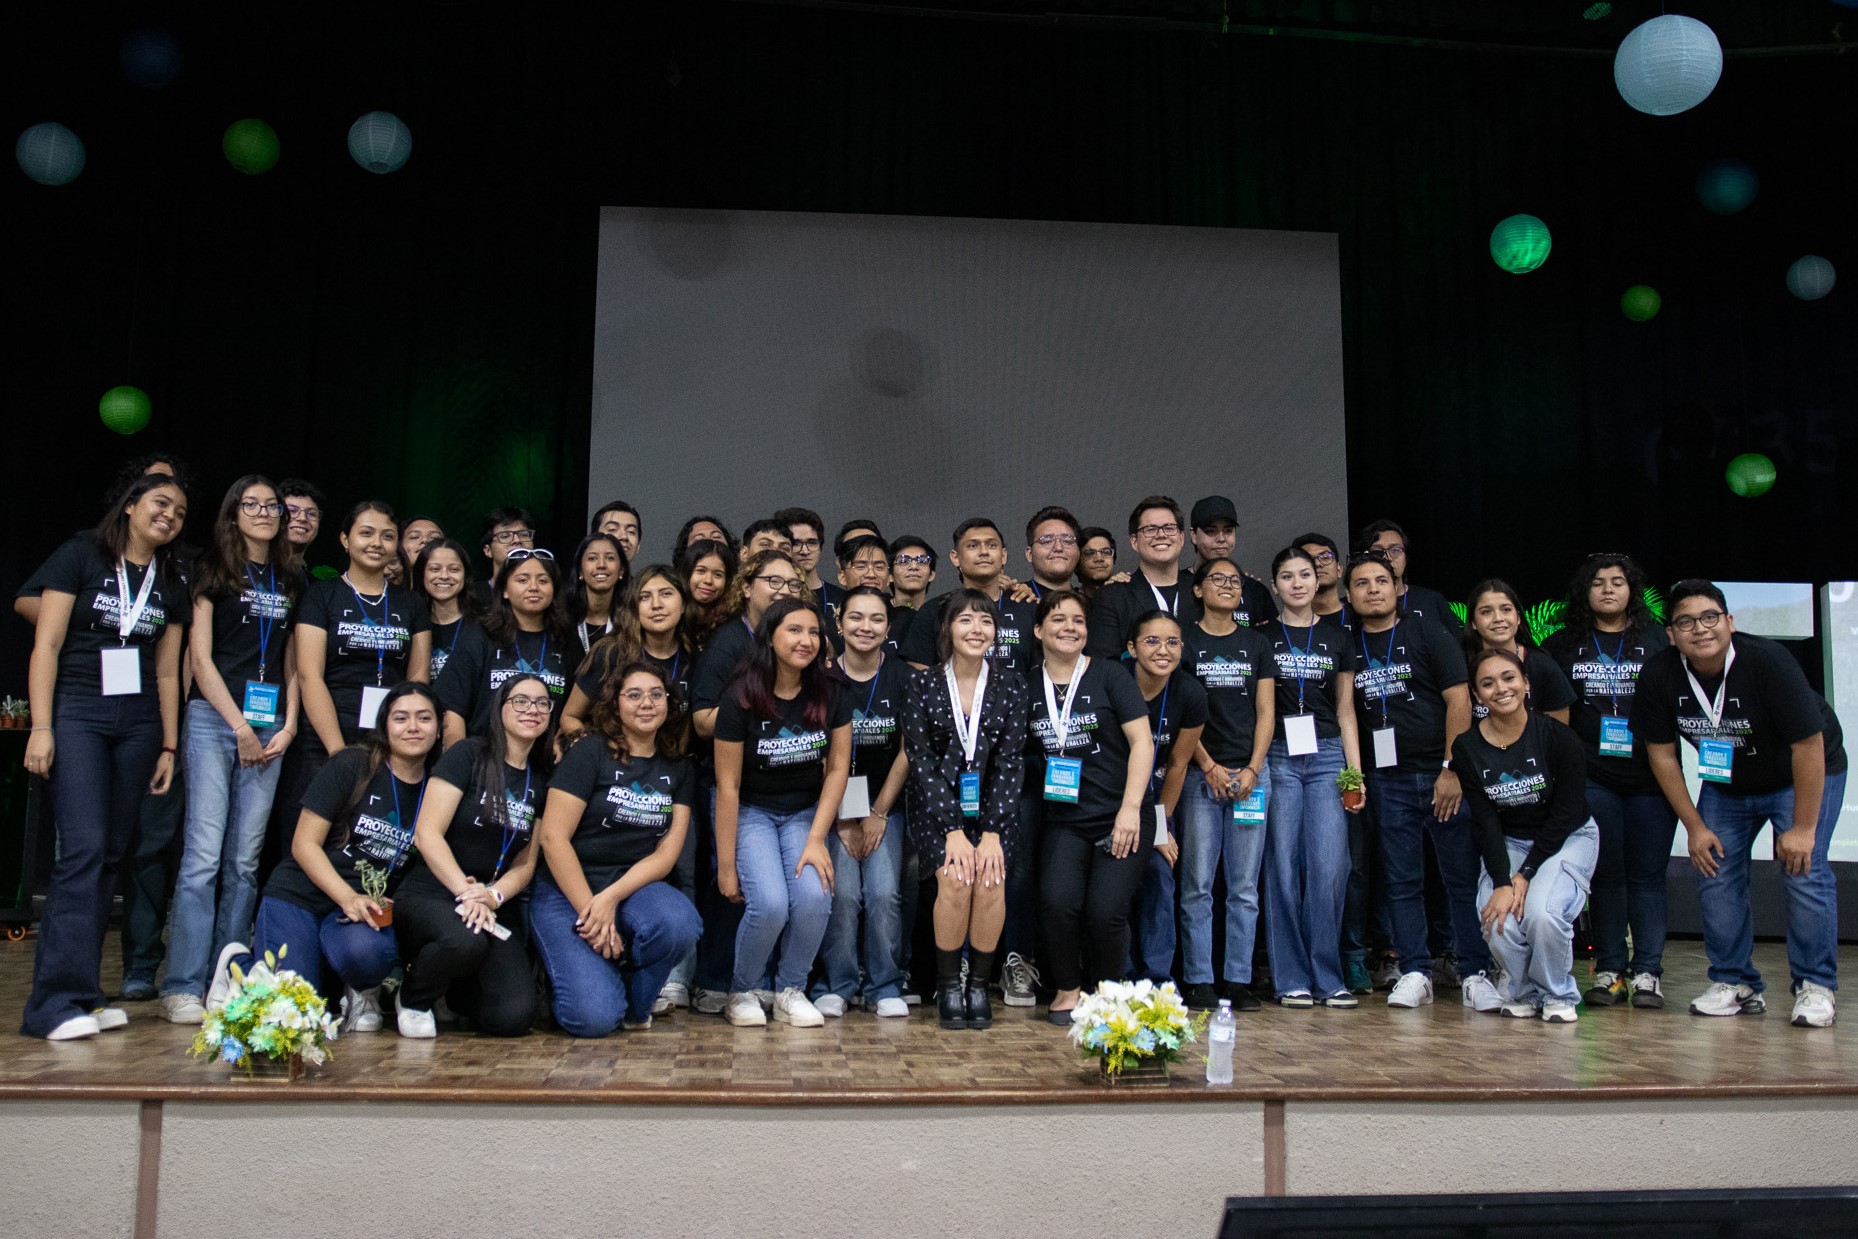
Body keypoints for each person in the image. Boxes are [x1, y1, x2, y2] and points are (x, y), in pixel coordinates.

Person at [1631, 580, 1847, 1028]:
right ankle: (1735, 981)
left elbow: (1809, 744)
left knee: (1804, 871)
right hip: (1728, 783)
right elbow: (1662, 753)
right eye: (1685, 622)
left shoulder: (1767, 662)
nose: (1700, 629)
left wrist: (1803, 829)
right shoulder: (1660, 674)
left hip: (1801, 773)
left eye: (1710, 617)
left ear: (1729, 622)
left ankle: (1815, 985)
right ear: (1671, 634)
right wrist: (1693, 826)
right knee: (1715, 870)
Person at [20, 473, 189, 1040]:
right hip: (79, 712)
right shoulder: (82, 555)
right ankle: (51, 1006)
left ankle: (86, 996)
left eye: (181, 512)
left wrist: (169, 742)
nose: (170, 516)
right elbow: (45, 642)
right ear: (132, 505)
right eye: (161, 503)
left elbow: (168, 670)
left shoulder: (170, 576)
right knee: (83, 851)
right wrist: (42, 727)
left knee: (113, 856)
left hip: (139, 723)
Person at [213, 682, 442, 1031]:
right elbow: (303, 844)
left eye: (424, 718)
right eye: (401, 718)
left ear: (439, 728)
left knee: (369, 957)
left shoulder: (440, 787)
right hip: (300, 895)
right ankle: (240, 966)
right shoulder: (353, 764)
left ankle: (356, 990)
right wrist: (347, 896)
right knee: (294, 1013)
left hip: (360, 910)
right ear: (385, 726)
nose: (413, 727)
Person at [160, 476, 305, 1024]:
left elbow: (291, 660)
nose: (264, 513)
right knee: (201, 858)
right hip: (214, 721)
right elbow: (199, 659)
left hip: (271, 731)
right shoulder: (212, 570)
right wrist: (238, 724)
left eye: (272, 506)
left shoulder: (291, 577)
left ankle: (229, 980)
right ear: (233, 513)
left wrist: (288, 725)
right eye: (252, 505)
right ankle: (182, 985)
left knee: (244, 863)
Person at [1342, 551, 1499, 1012]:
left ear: (1397, 587)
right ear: (1348, 595)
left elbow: (1459, 702)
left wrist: (1452, 769)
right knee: (1401, 881)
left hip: (1441, 776)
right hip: (1386, 781)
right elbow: (1346, 710)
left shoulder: (1427, 629)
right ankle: (1415, 971)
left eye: (1381, 581)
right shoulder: (1347, 643)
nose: (1373, 589)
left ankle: (1473, 971)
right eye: (1362, 583)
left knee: (1458, 879)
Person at [532, 662, 702, 1037]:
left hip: (630, 888)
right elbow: (553, 839)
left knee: (679, 923)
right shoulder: (588, 751)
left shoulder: (679, 768)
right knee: (591, 1021)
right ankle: (574, 977)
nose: (647, 703)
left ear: (669, 704)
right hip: (565, 890)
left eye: (657, 694)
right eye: (634, 695)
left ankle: (633, 1004)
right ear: (614, 705)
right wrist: (592, 913)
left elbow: (665, 855)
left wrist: (610, 898)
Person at [1542, 553, 1676, 1009]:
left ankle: (1648, 974)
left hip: (1651, 776)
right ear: (1586, 592)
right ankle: (1611, 971)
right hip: (1593, 776)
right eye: (1598, 583)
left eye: (1617, 582)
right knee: (1606, 875)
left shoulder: (1658, 641)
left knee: (1648, 876)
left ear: (1631, 591)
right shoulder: (1562, 644)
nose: (1607, 590)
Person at [712, 597, 852, 1028]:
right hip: (752, 811)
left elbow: (837, 771)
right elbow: (728, 786)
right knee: (770, 904)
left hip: (804, 814)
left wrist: (816, 838)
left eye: (813, 632)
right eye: (794, 630)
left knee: (814, 897)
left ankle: (791, 989)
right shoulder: (740, 695)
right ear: (769, 637)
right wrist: (726, 864)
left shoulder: (832, 690)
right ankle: (743, 990)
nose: (806, 640)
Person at [900, 589, 1030, 1030]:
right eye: (965, 621)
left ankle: (978, 985)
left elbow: (1011, 761)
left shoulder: (1012, 684)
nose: (977, 630)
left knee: (990, 880)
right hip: (937, 807)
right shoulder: (922, 684)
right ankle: (949, 987)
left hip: (996, 808)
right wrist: (954, 828)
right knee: (956, 880)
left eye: (985, 621)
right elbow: (920, 760)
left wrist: (991, 830)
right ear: (947, 629)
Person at [392, 675, 549, 1038]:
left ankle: (454, 990)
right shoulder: (468, 754)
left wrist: (491, 896)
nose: (532, 710)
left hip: (489, 903)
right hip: (433, 890)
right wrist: (467, 892)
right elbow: (427, 833)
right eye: (521, 701)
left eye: (542, 703)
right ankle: (413, 996)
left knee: (514, 1016)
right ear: (500, 707)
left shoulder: (540, 779)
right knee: (465, 941)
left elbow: (526, 863)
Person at [1029, 590, 1155, 1024]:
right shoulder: (1028, 684)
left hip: (1121, 815)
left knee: (1105, 911)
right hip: (1064, 819)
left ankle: (1108, 996)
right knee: (1057, 902)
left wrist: (1131, 809)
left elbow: (1142, 742)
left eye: (1078, 620)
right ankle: (1067, 989)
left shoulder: (1111, 675)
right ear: (1038, 630)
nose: (1069, 627)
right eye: (1058, 619)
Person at [1455, 648, 1599, 1023]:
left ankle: (1557, 993)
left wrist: (1525, 875)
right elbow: (1485, 820)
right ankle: (1522, 991)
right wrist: (1503, 881)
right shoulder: (1466, 747)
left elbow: (1566, 813)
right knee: (1496, 914)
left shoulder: (1559, 738)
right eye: (1487, 683)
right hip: (1508, 841)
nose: (1500, 689)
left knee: (1541, 913)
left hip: (1567, 837)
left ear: (1526, 683)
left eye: (1508, 678)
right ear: (1476, 694)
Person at [1258, 545, 1363, 1009]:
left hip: (1326, 757)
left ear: (1319, 580)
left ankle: (1328, 976)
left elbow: (1346, 711)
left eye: (1306, 574)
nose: (1298, 583)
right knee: (1282, 867)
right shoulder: (1261, 637)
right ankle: (1291, 978)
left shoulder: (1339, 638)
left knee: (1329, 867)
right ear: (1275, 585)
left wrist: (1353, 775)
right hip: (1278, 756)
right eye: (1287, 576)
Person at [1178, 557, 1277, 1012]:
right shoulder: (1185, 640)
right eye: (1217, 579)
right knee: (1198, 882)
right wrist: (1210, 765)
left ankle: (1237, 979)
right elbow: (1182, 714)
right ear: (1197, 589)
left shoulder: (1256, 643)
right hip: (1202, 774)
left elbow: (1266, 713)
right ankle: (1199, 978)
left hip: (1252, 774)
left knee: (1244, 886)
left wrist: (1254, 770)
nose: (1228, 586)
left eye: (1235, 581)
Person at [814, 587, 913, 1017]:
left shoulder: (905, 677)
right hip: (832, 805)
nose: (865, 627)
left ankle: (885, 985)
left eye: (876, 619)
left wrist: (877, 814)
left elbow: (910, 751)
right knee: (842, 893)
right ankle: (838, 983)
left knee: (884, 891)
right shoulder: (819, 679)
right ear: (839, 622)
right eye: (856, 618)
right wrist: (840, 819)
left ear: (888, 627)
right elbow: (818, 755)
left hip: (885, 805)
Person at [1125, 611, 1207, 988]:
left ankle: (1157, 979)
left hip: (1157, 802)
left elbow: (1178, 765)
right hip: (1114, 800)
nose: (1163, 650)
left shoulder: (1189, 692)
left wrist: (1160, 827)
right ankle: (1119, 976)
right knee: (1117, 878)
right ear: (1132, 648)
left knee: (1159, 873)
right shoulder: (1115, 682)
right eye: (1152, 641)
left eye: (1172, 642)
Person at [438, 549, 574, 743]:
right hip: (484, 757)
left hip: (546, 763)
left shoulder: (566, 639)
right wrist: (458, 763)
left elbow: (576, 711)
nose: (534, 587)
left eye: (543, 580)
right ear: (505, 591)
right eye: (522, 580)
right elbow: (453, 708)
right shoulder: (480, 635)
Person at [898, 518, 1037, 674]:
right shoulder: (934, 611)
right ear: (955, 557)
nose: (984, 552)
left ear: (1003, 555)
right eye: (973, 546)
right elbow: (918, 676)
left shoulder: (1029, 607)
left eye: (991, 545)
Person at [1087, 496, 1201, 659]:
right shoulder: (1112, 597)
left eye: (1169, 528)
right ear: (1134, 541)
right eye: (1150, 529)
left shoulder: (1201, 591)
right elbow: (1104, 666)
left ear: (1181, 538)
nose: (1161, 535)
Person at [1463, 580, 1574, 724]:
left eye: (1506, 609)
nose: (1498, 618)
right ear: (1473, 623)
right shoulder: (1461, 664)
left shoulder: (1541, 663)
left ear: (1518, 618)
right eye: (1486, 612)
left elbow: (1558, 727)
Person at [1353, 520, 1461, 633]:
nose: (1388, 558)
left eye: (1395, 550)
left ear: (1406, 558)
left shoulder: (1432, 601)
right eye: (1378, 551)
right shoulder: (1355, 604)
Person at [1188, 497, 1276, 625]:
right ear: (1194, 536)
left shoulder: (1255, 591)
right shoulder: (1178, 585)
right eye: (1211, 531)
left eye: (1228, 530)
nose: (1221, 538)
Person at [412, 538, 478, 681]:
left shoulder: (482, 623)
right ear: (421, 573)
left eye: (454, 569)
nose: (444, 576)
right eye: (435, 569)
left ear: (465, 575)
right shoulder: (410, 620)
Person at [567, 532, 629, 656]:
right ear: (580, 571)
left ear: (621, 570)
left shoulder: (631, 621)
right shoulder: (563, 618)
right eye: (592, 558)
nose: (601, 565)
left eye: (610, 558)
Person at [676, 537, 738, 649]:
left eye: (718, 574)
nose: (708, 580)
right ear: (687, 573)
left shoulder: (733, 624)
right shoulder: (673, 619)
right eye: (701, 571)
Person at [1023, 506, 1084, 600]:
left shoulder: (1093, 607)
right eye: (1047, 541)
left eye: (1067, 540)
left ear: (1078, 552)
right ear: (1029, 554)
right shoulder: (1014, 597)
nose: (1058, 548)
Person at [887, 535, 938, 644]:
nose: (914, 566)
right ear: (890, 575)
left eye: (922, 561)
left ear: (931, 575)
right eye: (904, 561)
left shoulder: (939, 618)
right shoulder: (879, 615)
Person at [1294, 532, 1345, 619]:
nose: (1317, 563)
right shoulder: (1288, 623)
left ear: (1339, 570)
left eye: (1325, 558)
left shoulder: (1360, 617)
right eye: (1309, 559)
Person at [278, 479, 326, 570]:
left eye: (311, 513)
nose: (303, 518)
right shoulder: (252, 571)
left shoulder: (313, 582)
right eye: (292, 511)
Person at [480, 507, 537, 580]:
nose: (517, 540)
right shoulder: (474, 591)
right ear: (488, 550)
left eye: (524, 534)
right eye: (505, 536)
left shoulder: (546, 589)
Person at [1075, 526, 1118, 606]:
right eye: (1090, 553)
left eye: (1105, 552)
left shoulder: (1125, 596)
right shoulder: (1068, 602)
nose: (1099, 558)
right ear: (1077, 563)